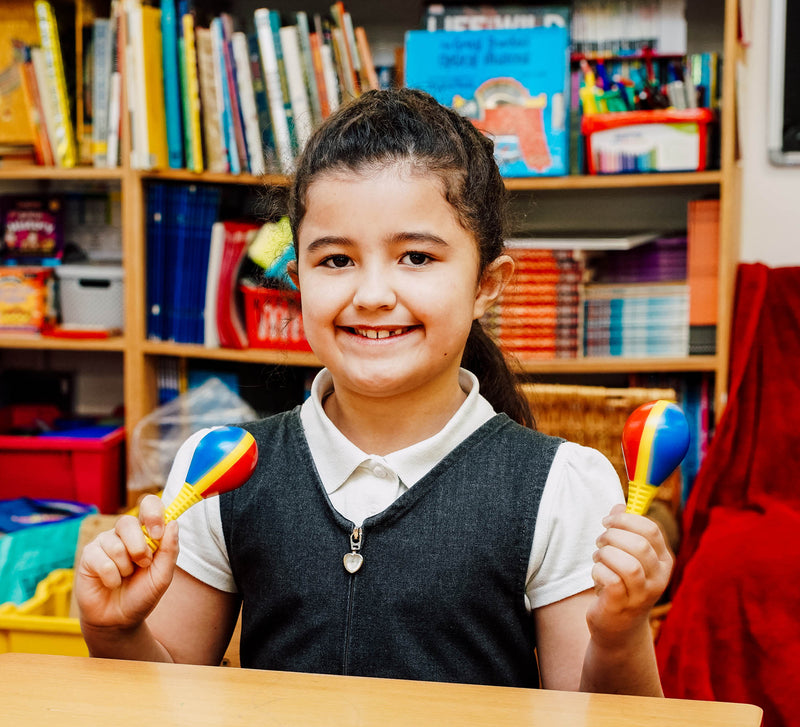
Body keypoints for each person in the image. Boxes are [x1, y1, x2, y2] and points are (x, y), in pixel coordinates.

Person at [76, 88, 671, 694]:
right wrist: (114, 630)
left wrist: (622, 632)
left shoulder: (564, 487)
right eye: (335, 260)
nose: (372, 294)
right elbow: (167, 708)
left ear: (487, 286)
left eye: (415, 257)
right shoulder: (221, 471)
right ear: (297, 277)